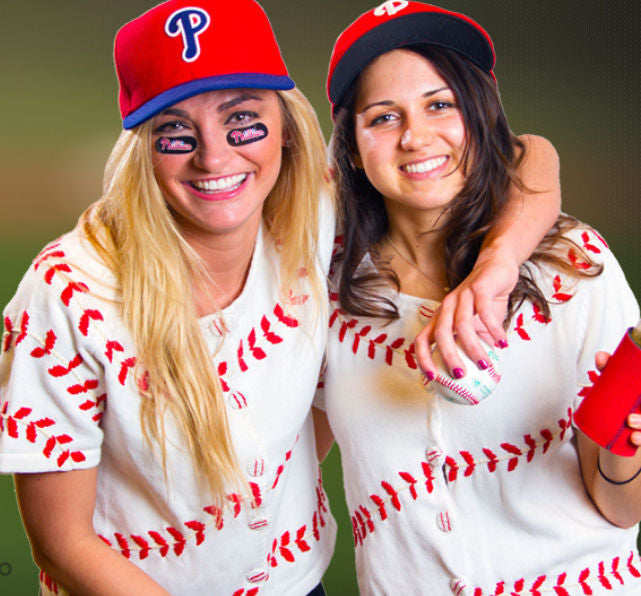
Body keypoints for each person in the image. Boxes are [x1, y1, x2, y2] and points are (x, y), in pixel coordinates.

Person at [0, 1, 558, 594]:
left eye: (242, 119)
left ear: (287, 126)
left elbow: (528, 155)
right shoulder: (69, 290)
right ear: (141, 146)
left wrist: (494, 271)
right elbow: (62, 543)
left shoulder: (313, 219)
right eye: (175, 131)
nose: (214, 156)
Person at [316, 2, 641, 595]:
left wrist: (628, 449)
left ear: (482, 115)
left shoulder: (572, 264)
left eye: (441, 104)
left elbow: (621, 508)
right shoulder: (328, 283)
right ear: (352, 149)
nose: (416, 137)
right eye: (384, 117)